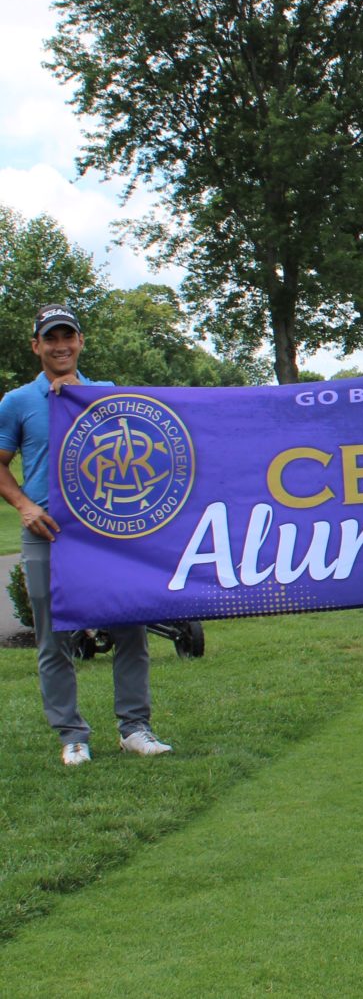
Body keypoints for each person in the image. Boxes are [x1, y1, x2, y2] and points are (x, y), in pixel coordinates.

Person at [0, 304, 171, 766]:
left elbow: (141, 448)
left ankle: (134, 728)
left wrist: (82, 401)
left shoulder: (108, 394)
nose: (60, 346)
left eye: (67, 337)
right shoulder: (16, 402)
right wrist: (24, 505)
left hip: (107, 532)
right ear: (36, 345)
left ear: (80, 342)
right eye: (50, 339)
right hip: (48, 531)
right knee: (53, 636)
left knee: (130, 628)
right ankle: (72, 734)